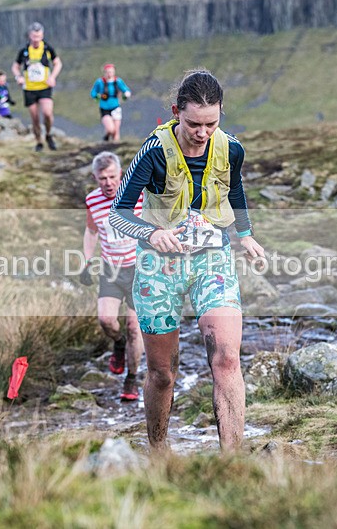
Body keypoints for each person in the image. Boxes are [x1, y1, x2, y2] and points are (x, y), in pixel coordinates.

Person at [108, 69, 265, 451]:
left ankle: (233, 462)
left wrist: (244, 235)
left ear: (220, 113)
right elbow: (118, 212)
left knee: (227, 360)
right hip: (158, 267)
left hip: (212, 260)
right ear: (177, 112)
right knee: (163, 374)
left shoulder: (231, 148)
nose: (202, 132)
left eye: (211, 123)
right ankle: (159, 453)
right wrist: (150, 232)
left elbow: (236, 186)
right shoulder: (154, 152)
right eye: (194, 123)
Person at [82, 151, 146, 400]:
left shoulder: (139, 195)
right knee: (106, 320)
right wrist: (87, 261)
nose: (107, 183)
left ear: (120, 174)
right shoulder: (92, 201)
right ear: (95, 177)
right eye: (102, 178)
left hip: (140, 269)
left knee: (134, 327)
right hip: (110, 269)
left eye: (112, 177)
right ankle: (118, 345)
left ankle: (131, 380)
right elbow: (91, 231)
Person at [11, 22, 62, 152]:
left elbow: (57, 63)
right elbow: (15, 66)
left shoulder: (47, 49)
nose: (36, 40)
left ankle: (49, 134)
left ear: (42, 35)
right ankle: (39, 141)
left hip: (44, 87)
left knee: (47, 113)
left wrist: (53, 77)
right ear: (29, 36)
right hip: (29, 88)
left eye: (38, 36)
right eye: (34, 37)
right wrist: (18, 77)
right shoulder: (24, 51)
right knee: (34, 117)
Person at [90, 63, 131, 142]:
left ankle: (116, 149)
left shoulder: (118, 81)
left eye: (111, 72)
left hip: (116, 107)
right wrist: (97, 96)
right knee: (110, 129)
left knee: (116, 132)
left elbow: (126, 89)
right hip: (104, 108)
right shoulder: (100, 82)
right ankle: (106, 138)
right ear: (104, 72)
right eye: (107, 72)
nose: (109, 74)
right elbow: (93, 93)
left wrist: (126, 94)